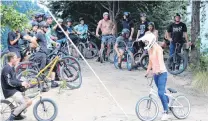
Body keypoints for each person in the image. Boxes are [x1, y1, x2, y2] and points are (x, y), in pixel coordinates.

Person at [138, 33, 170, 121]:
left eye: (146, 41)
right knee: (162, 92)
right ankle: (168, 103)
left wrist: (159, 70)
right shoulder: (150, 49)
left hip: (162, 73)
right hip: (156, 74)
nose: (145, 43)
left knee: (160, 93)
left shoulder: (158, 49)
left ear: (151, 40)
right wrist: (147, 72)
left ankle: (166, 112)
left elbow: (159, 60)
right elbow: (151, 62)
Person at [1, 52, 32, 121]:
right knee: (25, 103)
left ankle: (17, 115)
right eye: (15, 58)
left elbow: (15, 80)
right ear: (12, 59)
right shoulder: (6, 68)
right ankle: (11, 119)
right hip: (9, 91)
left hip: (13, 90)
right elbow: (9, 82)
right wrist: (21, 84)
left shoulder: (11, 68)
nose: (17, 59)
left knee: (29, 101)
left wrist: (24, 83)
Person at [30, 21, 59, 88]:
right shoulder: (39, 33)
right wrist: (37, 46)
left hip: (45, 54)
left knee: (53, 66)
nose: (47, 29)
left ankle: (52, 83)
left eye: (47, 27)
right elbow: (32, 40)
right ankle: (41, 86)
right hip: (41, 54)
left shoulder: (43, 35)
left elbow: (49, 41)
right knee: (42, 70)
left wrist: (55, 43)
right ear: (42, 28)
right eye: (46, 27)